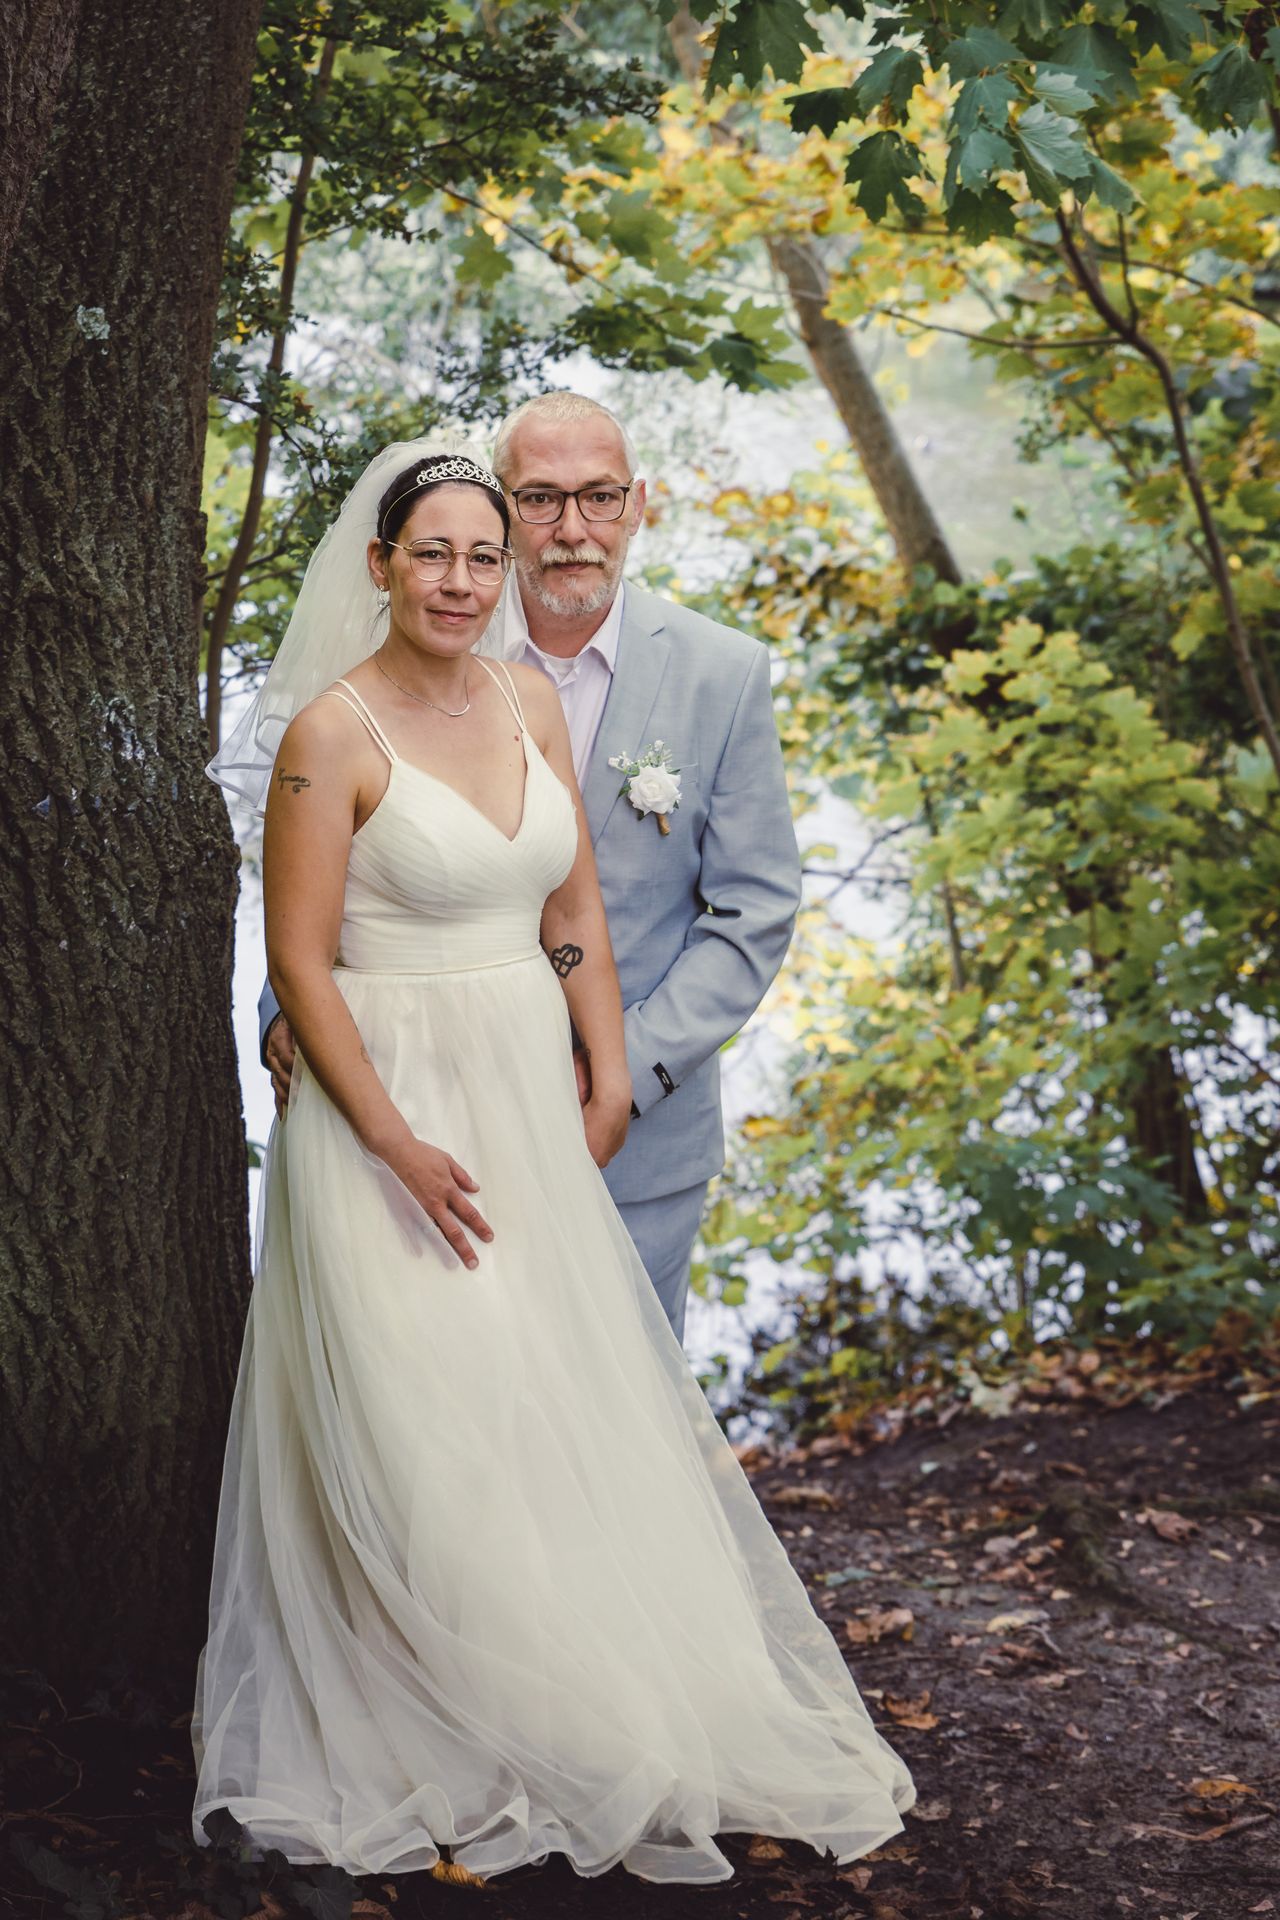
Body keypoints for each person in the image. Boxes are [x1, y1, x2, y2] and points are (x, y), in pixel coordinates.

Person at [194, 441, 914, 1884]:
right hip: (391, 1115)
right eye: (433, 554)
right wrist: (392, 1141)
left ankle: (584, 1707)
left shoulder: (524, 701)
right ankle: (445, 1718)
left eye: (483, 555)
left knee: (541, 1408)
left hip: (525, 1100)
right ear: (381, 565)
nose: (461, 580)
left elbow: (572, 903)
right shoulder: (330, 735)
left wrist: (605, 1074)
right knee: (422, 1420)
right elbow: (301, 962)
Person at [258, 392, 802, 1341]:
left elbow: (752, 911)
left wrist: (623, 1072)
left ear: (638, 506)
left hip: (627, 1139)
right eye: (541, 499)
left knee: (620, 1400)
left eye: (600, 497)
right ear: (504, 508)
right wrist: (283, 1013)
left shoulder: (723, 673)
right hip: (422, 1110)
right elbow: (319, 876)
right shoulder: (425, 637)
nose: (573, 530)